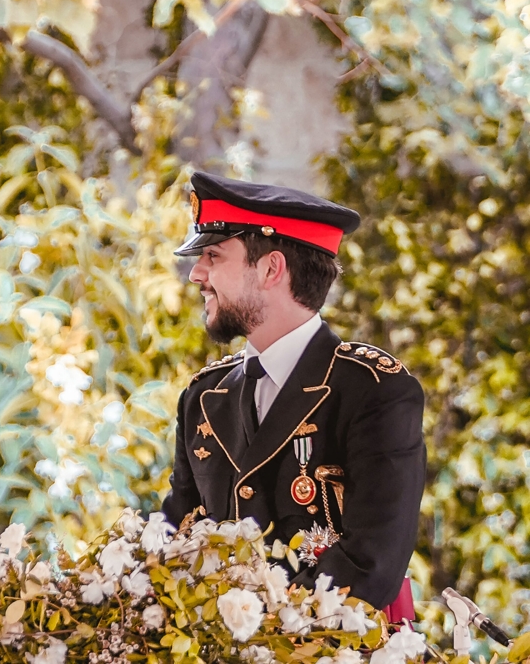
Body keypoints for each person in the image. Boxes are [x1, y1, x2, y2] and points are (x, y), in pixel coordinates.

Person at [160, 171, 425, 613]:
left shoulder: (374, 390)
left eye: (212, 255)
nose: (197, 275)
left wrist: (250, 630)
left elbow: (370, 566)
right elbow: (177, 533)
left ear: (271, 269)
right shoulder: (203, 396)